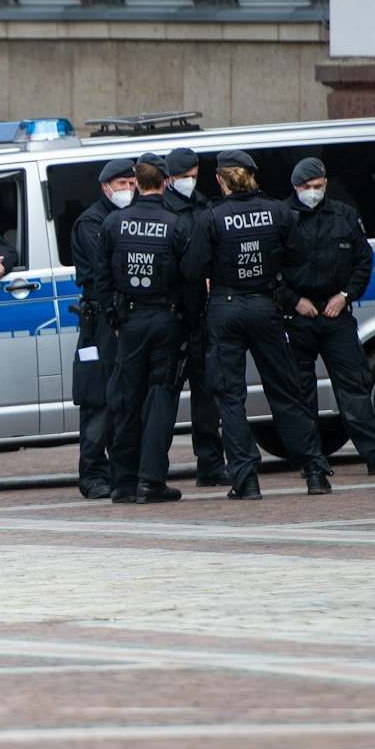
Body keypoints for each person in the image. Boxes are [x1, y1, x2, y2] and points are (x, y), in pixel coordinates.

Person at [184, 149, 329, 500]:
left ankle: (246, 480)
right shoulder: (277, 211)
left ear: (221, 179)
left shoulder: (211, 217)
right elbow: (298, 257)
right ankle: (314, 472)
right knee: (286, 390)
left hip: (225, 308)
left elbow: (191, 269)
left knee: (230, 398)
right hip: (266, 306)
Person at [279, 156, 375, 476]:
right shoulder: (282, 217)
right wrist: (294, 301)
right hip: (298, 317)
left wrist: (346, 295)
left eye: (318, 186)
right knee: (301, 392)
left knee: (354, 386)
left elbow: (363, 262)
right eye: (306, 188)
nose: (313, 192)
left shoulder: (344, 215)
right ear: (295, 188)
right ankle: (312, 462)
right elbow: (271, 270)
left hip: (337, 314)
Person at [99, 160, 193, 504]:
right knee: (160, 400)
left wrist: (117, 322)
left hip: (131, 323)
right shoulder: (177, 224)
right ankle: (151, 481)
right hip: (167, 320)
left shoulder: (113, 222)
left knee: (125, 400)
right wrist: (190, 322)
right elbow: (191, 279)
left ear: (136, 184)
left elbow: (102, 280)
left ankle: (123, 482)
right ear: (165, 183)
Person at [68, 158, 137, 500]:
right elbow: (109, 269)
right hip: (101, 322)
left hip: (129, 317)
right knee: (97, 398)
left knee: (125, 396)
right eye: (121, 183)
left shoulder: (134, 217)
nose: (127, 190)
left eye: (131, 183)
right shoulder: (91, 222)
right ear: (105, 186)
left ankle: (122, 470)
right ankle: (93, 473)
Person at [162, 146, 228, 487]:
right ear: (169, 177)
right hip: (174, 315)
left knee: (207, 395)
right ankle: (155, 466)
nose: (189, 181)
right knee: (164, 395)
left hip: (202, 313)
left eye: (192, 175)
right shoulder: (162, 208)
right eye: (183, 176)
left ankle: (211, 464)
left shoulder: (204, 205)